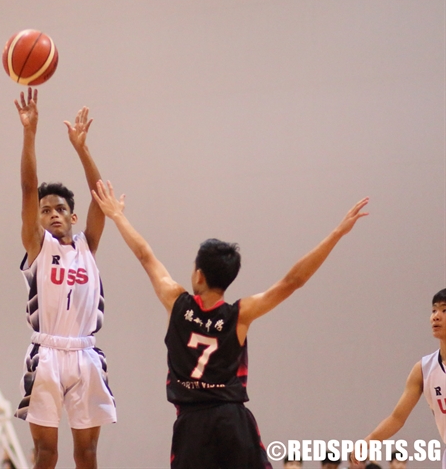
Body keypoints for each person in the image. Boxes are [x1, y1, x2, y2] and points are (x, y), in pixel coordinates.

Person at [91, 180, 369, 469]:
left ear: (198, 275)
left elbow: (145, 255)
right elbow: (292, 282)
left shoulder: (176, 303)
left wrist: (117, 215)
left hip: (191, 423)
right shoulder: (240, 314)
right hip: (231, 420)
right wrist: (337, 233)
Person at [14, 88, 116, 469]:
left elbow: (99, 196)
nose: (53, 214)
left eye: (60, 209)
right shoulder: (37, 247)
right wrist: (30, 132)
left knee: (88, 453)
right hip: (47, 353)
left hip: (86, 351)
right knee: (46, 452)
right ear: (38, 219)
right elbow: (27, 188)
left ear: (73, 217)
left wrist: (81, 147)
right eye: (45, 210)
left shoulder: (88, 244)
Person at [352, 289, 446, 468]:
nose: (436, 316)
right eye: (434, 310)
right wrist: (371, 440)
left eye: (444, 310)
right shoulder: (424, 369)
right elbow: (397, 418)